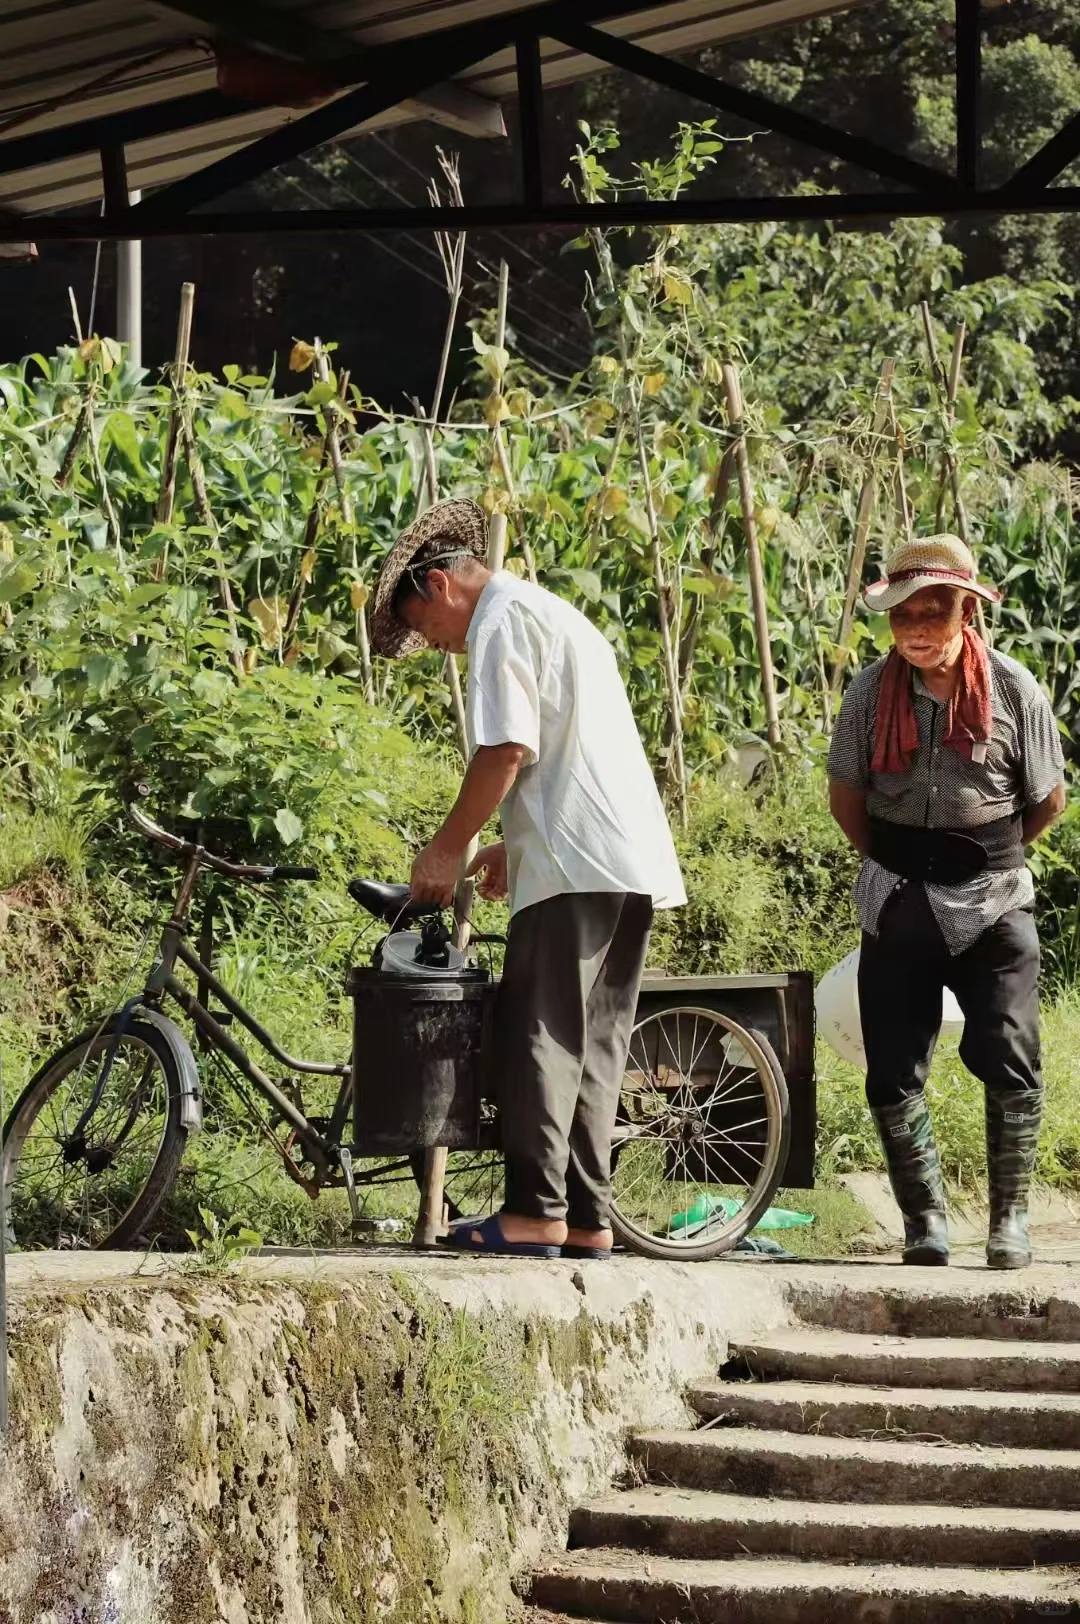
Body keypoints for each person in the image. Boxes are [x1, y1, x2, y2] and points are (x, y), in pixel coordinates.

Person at [368, 498, 686, 1259]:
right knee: (594, 1043)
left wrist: (447, 848)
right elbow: (570, 750)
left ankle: (535, 1212)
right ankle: (587, 1219)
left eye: (424, 627)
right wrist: (512, 846)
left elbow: (506, 750)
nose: (435, 644)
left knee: (540, 1033)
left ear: (439, 584)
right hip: (623, 859)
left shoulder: (500, 622)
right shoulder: (555, 615)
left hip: (575, 866)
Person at [828, 534, 1066, 1270]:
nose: (916, 629)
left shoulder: (1015, 689)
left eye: (933, 611)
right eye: (903, 615)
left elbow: (1048, 799)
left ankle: (1010, 1221)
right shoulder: (869, 692)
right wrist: (901, 863)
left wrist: (981, 856)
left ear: (967, 611)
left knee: (1011, 1052)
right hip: (896, 896)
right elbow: (846, 799)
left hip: (995, 898)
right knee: (892, 1065)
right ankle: (924, 1222)